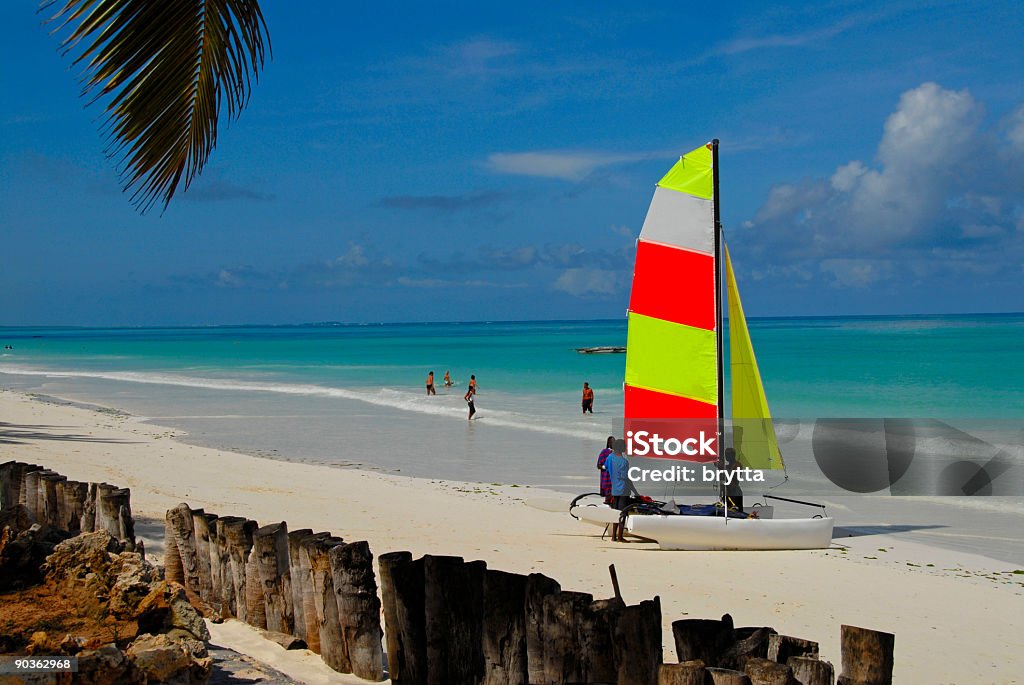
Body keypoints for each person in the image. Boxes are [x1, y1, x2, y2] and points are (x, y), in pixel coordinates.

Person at [605, 439, 639, 542]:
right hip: (623, 490)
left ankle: (613, 536)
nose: (626, 448)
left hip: (614, 489)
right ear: (621, 448)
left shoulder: (610, 457)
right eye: (625, 446)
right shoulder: (624, 462)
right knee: (622, 513)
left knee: (615, 512)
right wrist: (636, 492)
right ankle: (620, 537)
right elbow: (627, 479)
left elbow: (606, 468)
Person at [596, 436, 615, 504]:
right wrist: (605, 467)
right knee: (607, 488)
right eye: (612, 442)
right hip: (606, 475)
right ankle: (608, 501)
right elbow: (598, 465)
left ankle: (613, 502)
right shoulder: (604, 452)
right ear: (609, 443)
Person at [724, 447, 743, 513]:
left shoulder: (737, 465)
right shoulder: (727, 467)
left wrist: (722, 468)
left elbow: (733, 481)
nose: (727, 456)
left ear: (733, 455)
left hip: (735, 493)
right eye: (726, 454)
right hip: (728, 493)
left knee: (736, 513)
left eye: (729, 454)